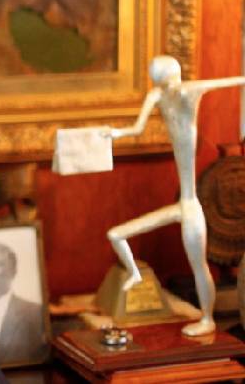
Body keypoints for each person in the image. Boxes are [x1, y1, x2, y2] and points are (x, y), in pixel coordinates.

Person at [101, 55, 245, 336]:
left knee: (199, 266)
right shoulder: (157, 95)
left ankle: (207, 319)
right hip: (181, 205)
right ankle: (135, 274)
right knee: (116, 234)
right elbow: (137, 129)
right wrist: (113, 134)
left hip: (192, 207)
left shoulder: (188, 92)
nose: (164, 86)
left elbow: (233, 81)